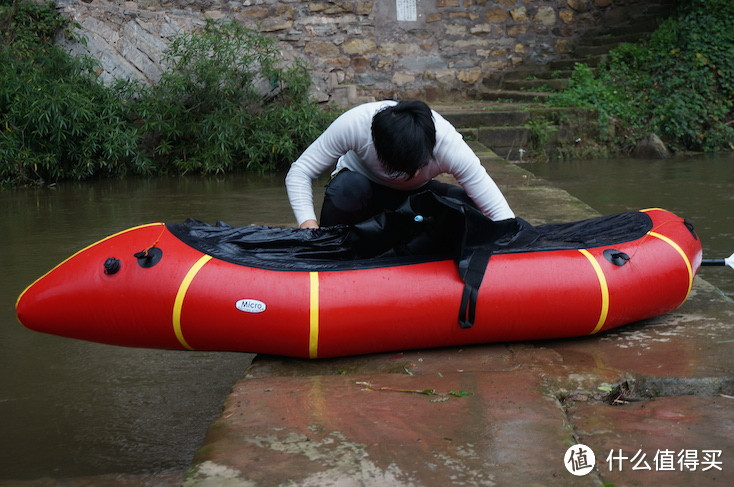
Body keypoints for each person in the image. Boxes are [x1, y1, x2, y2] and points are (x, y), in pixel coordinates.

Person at [285, 100, 515, 229]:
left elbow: (496, 209)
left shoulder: (448, 144)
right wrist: (308, 224)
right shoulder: (355, 124)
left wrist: (512, 240)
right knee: (346, 190)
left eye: (414, 168)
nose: (406, 174)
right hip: (359, 190)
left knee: (464, 205)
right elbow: (300, 172)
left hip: (413, 198)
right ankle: (333, 248)